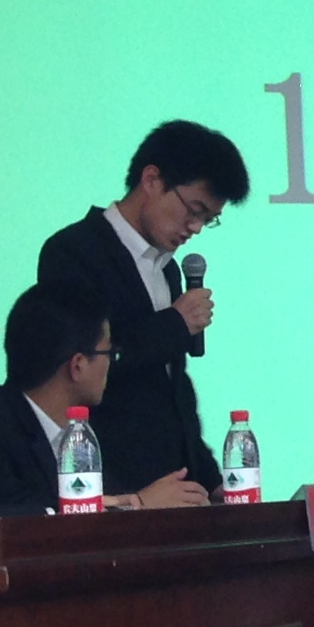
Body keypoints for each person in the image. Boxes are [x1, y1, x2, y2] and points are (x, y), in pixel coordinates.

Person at [35, 119, 249, 493]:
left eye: (208, 220)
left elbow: (170, 386)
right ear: (151, 180)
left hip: (174, 482)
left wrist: (210, 479)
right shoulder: (73, 251)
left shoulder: (167, 269)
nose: (196, 227)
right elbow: (80, 365)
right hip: (110, 483)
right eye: (193, 210)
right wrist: (175, 324)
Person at [0, 284, 211, 513]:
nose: (111, 365)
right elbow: (26, 517)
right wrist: (137, 505)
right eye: (109, 353)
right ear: (77, 365)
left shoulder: (87, 433)